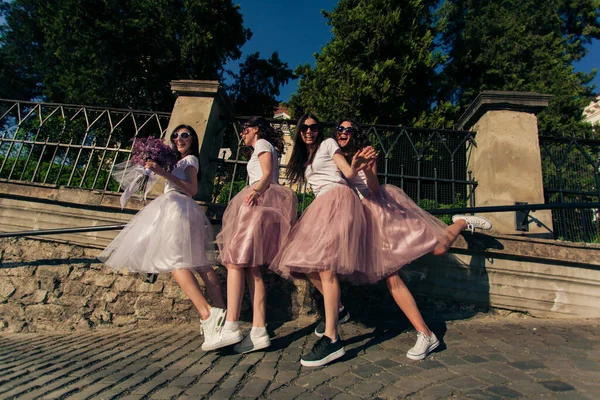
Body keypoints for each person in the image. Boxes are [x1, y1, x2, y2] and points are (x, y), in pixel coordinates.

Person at [330, 118, 491, 360]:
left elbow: (373, 188)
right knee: (390, 275)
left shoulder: (367, 153)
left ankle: (460, 222)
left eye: (349, 129)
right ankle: (425, 333)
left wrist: (364, 167)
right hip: (362, 221)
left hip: (383, 212)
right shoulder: (336, 156)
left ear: (355, 133)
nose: (344, 132)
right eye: (340, 129)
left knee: (437, 250)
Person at [99, 125, 226, 349]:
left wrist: (162, 172)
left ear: (193, 140)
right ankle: (222, 317)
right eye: (175, 135)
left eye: (185, 135)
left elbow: (192, 188)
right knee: (200, 264)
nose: (179, 139)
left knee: (175, 262)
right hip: (181, 209)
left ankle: (208, 314)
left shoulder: (190, 161)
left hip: (178, 208)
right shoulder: (177, 162)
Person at [270, 113, 376, 367]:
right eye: (304, 128)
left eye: (313, 127)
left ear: (319, 130)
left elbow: (348, 173)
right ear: (298, 131)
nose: (309, 131)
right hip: (320, 207)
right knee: (303, 264)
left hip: (337, 201)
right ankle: (339, 310)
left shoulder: (329, 144)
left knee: (326, 267)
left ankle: (332, 338)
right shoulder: (303, 159)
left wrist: (359, 164)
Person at [209, 117, 298, 353]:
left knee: (234, 261)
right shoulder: (262, 146)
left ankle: (231, 325)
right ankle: (259, 330)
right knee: (252, 267)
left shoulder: (261, 143)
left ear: (256, 129)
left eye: (244, 129)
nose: (241, 133)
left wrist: (255, 191)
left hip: (257, 203)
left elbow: (267, 173)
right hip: (261, 203)